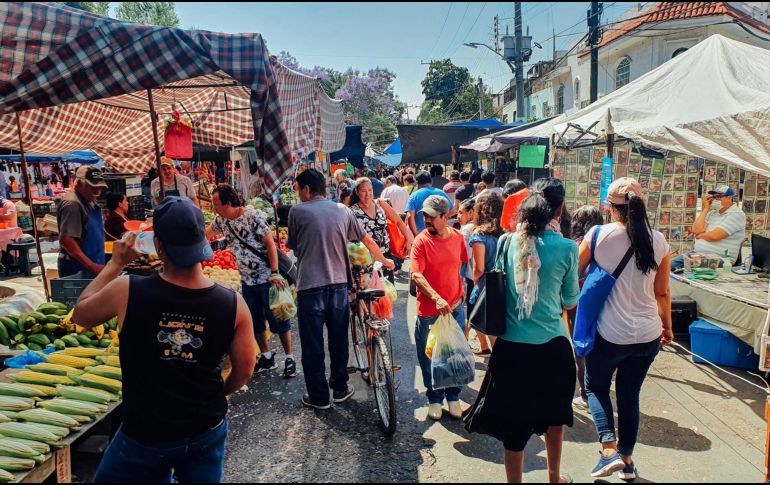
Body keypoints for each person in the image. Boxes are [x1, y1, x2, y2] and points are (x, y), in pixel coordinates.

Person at [73, 197, 257, 483]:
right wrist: (220, 391)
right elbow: (245, 368)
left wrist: (116, 263)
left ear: (158, 246)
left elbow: (81, 315)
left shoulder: (127, 290)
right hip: (205, 428)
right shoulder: (234, 304)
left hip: (144, 433)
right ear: (202, 241)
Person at [464, 178, 579, 485]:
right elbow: (570, 301)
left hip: (511, 348)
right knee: (555, 417)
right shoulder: (568, 248)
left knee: (513, 427)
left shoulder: (507, 242)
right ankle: (554, 478)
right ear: (559, 210)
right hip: (552, 348)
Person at [578, 178, 673, 481]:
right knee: (630, 395)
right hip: (648, 334)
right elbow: (662, 292)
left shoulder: (598, 235)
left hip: (609, 333)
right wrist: (667, 327)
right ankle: (628, 461)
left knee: (596, 387)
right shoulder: (659, 241)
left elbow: (574, 273)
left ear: (610, 207)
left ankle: (609, 450)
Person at [287, 169, 394, 410]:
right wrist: (384, 260)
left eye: (299, 189)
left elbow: (295, 248)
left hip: (310, 286)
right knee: (338, 340)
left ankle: (319, 397)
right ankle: (340, 388)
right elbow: (364, 240)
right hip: (338, 285)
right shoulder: (343, 210)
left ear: (306, 189)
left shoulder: (297, 212)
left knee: (313, 344)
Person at [207, 184, 297, 379]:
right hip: (247, 281)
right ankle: (267, 356)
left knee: (279, 317)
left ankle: (290, 357)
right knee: (255, 321)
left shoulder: (252, 216)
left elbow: (270, 244)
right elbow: (206, 234)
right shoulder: (221, 220)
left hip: (267, 278)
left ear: (228, 203)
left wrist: (275, 272)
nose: (214, 207)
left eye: (216, 203)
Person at [411, 195, 469, 421]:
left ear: (445, 217)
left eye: (432, 216)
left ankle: (453, 396)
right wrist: (436, 297)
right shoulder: (421, 241)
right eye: (425, 215)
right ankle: (434, 398)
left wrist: (459, 291)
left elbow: (461, 265)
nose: (426, 219)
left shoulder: (458, 237)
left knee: (454, 355)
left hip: (455, 308)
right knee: (429, 357)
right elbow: (416, 275)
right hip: (429, 311)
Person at [567, 205, 605, 407]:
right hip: (601, 300)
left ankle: (585, 393)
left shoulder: (574, 246)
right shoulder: (606, 244)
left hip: (578, 302)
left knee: (580, 345)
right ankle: (596, 389)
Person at [349, 177, 413, 282]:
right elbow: (365, 241)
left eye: (370, 190)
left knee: (389, 289)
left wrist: (408, 239)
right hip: (366, 260)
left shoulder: (380, 203)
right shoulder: (352, 212)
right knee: (373, 290)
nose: (368, 194)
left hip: (386, 255)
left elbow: (398, 221)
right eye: (363, 191)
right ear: (357, 192)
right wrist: (383, 260)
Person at [673, 185, 746, 270]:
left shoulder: (736, 214)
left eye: (719, 197)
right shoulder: (712, 213)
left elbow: (714, 236)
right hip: (698, 253)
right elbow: (695, 230)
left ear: (729, 198)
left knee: (688, 270)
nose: (715, 199)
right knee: (668, 267)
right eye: (713, 197)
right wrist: (706, 209)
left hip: (720, 258)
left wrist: (700, 235)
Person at [469, 192, 504, 356]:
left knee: (480, 318)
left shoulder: (479, 235)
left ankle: (491, 353)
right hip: (504, 283)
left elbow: (479, 268)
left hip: (486, 284)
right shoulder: (506, 232)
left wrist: (475, 280)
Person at [57, 167, 108, 277]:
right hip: (77, 269)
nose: (97, 192)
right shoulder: (73, 204)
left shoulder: (89, 200)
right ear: (79, 183)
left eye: (99, 187)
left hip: (93, 264)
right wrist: (92, 266)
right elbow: (67, 241)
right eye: (92, 187)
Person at [406, 171, 454, 235]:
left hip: (421, 234)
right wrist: (440, 218)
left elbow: (410, 216)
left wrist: (415, 234)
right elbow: (453, 211)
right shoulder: (441, 193)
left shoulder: (414, 196)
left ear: (417, 183)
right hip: (439, 232)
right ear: (431, 181)